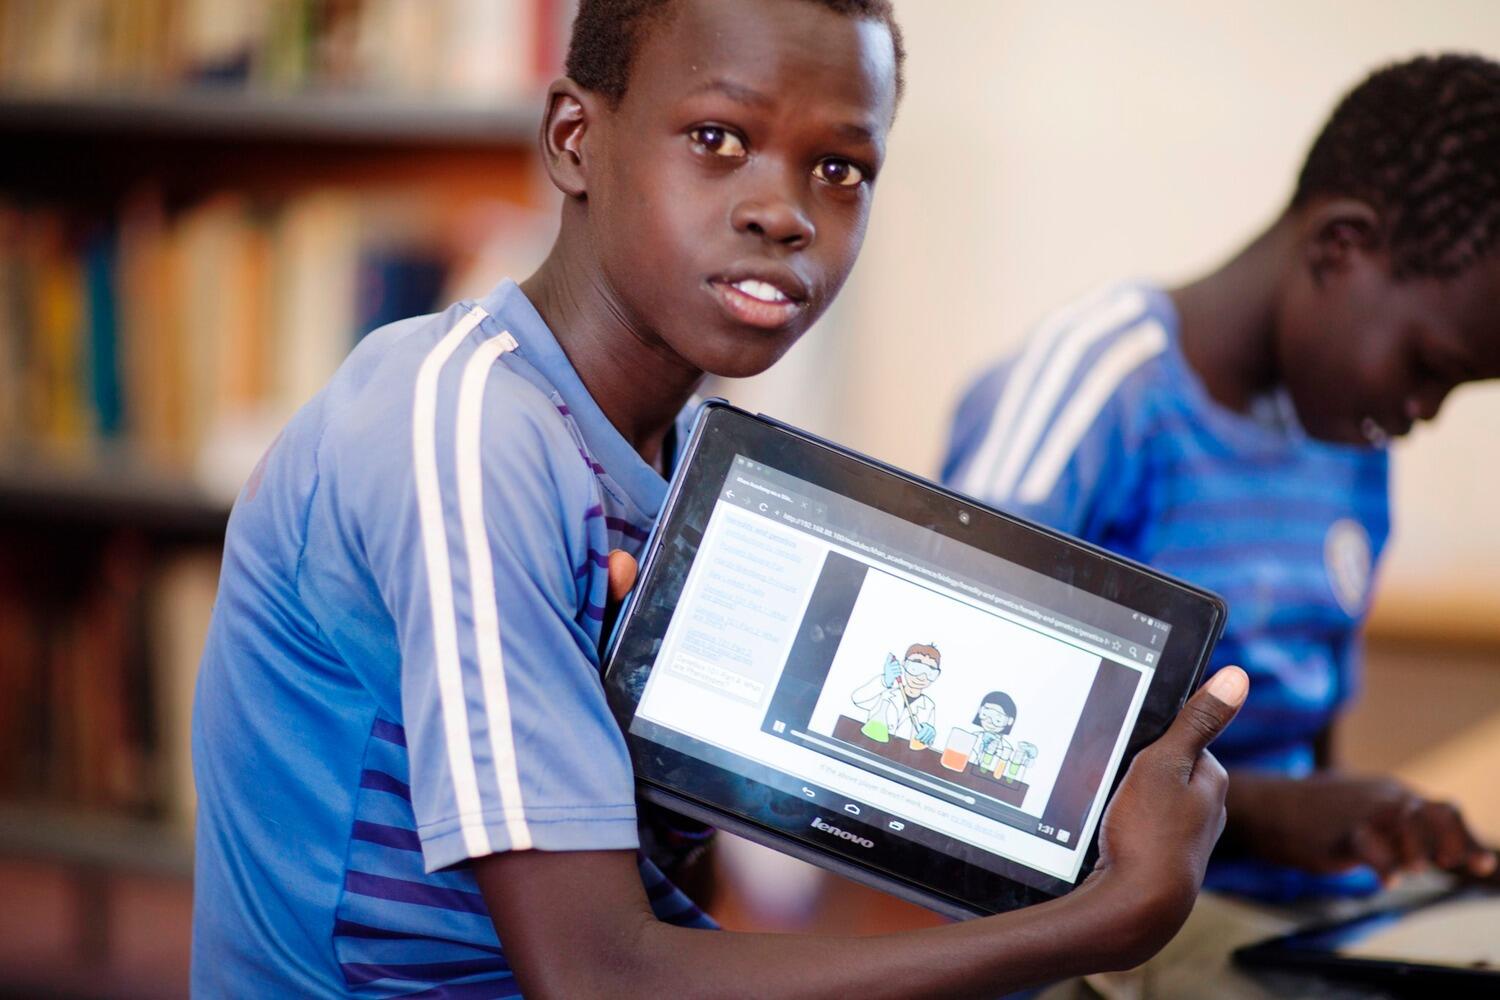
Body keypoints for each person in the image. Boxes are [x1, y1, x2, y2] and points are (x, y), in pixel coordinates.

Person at [192, 1, 1249, 995]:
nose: (783, 213)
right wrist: (1105, 919)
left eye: (839, 167)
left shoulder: (707, 465)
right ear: (573, 139)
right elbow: (599, 974)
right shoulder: (467, 425)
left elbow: (676, 897)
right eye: (717, 140)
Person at [944, 54, 1500, 901]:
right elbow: (960, 717)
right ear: (1340, 247)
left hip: (1276, 909)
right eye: (1428, 366)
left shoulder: (1349, 428)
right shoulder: (1103, 388)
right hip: (1098, 915)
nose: (1424, 410)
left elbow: (1309, 722)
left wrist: (1362, 826)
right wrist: (1267, 815)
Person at [852, 642, 942, 745]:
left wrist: (929, 736)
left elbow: (924, 744)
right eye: (915, 667)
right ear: (904, 664)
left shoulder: (929, 706)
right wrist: (885, 680)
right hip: (869, 745)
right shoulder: (886, 693)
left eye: (930, 671)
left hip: (900, 755)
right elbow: (857, 699)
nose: (921, 676)